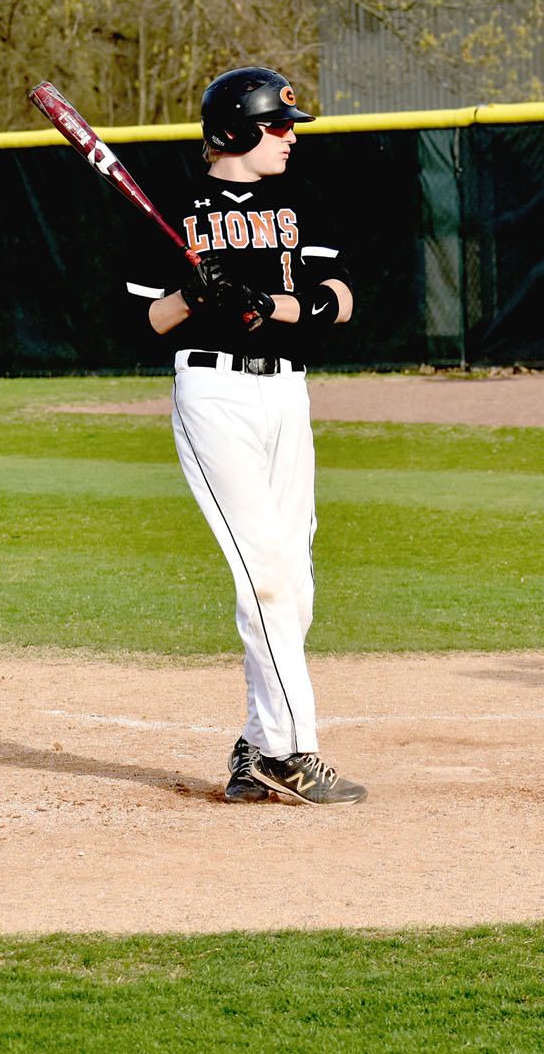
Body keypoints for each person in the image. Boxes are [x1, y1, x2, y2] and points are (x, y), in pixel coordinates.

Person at [127, 66, 367, 806]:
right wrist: (192, 293)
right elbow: (147, 319)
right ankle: (292, 753)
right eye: (277, 125)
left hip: (286, 393)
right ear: (234, 130)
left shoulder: (301, 199)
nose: (291, 137)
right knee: (262, 573)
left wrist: (269, 302)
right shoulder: (176, 208)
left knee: (294, 583)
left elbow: (342, 299)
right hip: (214, 394)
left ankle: (258, 746)